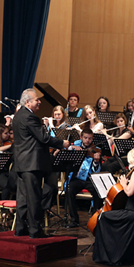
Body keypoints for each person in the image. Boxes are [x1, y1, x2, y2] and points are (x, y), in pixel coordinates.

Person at [13, 89, 70, 238]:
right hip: (32, 163)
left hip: (22, 163)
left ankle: (20, 228)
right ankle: (34, 230)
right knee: (33, 198)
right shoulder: (30, 117)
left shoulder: (18, 115)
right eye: (36, 100)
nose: (39, 102)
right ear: (27, 102)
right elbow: (44, 138)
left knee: (23, 198)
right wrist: (62, 143)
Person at [93, 147, 134, 266]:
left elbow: (129, 192)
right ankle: (125, 256)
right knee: (112, 216)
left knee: (104, 217)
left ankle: (110, 256)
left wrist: (123, 183)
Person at [65, 147, 103, 228]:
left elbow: (97, 170)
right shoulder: (76, 145)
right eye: (85, 139)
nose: (87, 141)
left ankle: (95, 219)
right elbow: (66, 149)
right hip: (77, 179)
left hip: (90, 179)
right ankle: (74, 219)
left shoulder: (96, 150)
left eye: (89, 139)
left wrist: (96, 162)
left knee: (98, 191)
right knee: (69, 189)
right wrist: (72, 147)